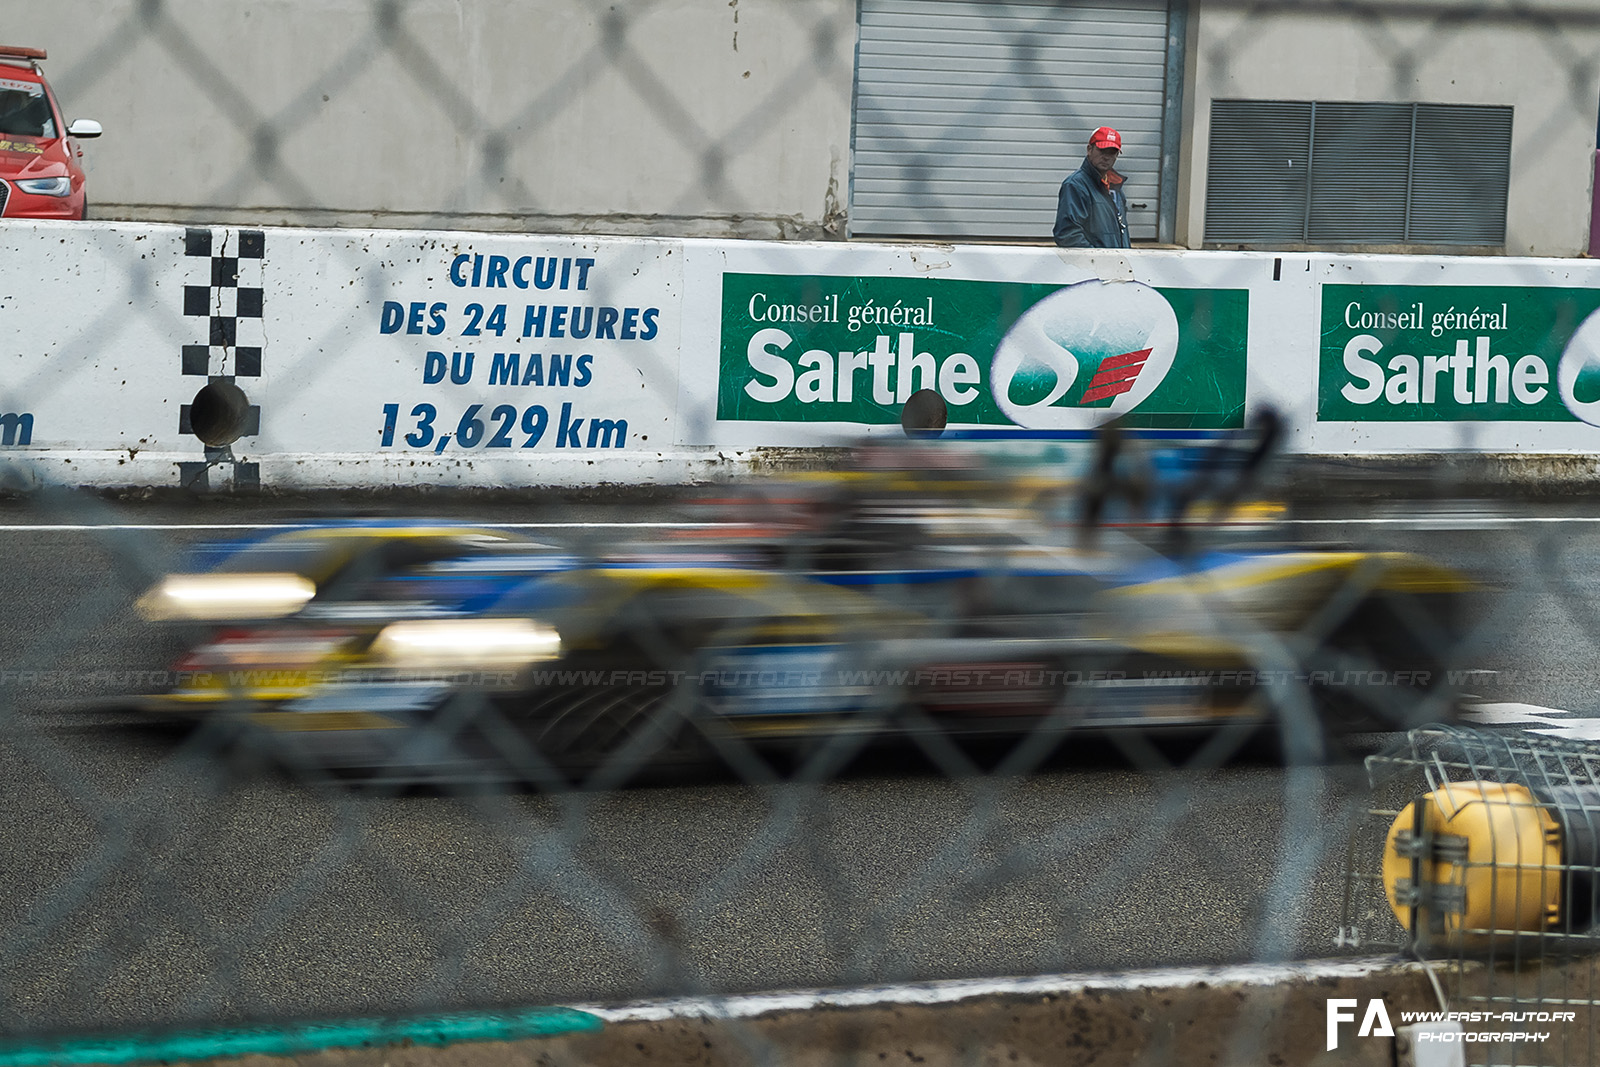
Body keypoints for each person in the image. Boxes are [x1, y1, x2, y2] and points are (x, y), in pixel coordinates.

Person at [1053, 126, 1131, 248]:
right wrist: (1099, 260)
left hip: (1117, 263)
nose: (1106, 157)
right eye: (1102, 150)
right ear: (1089, 149)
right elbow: (1068, 235)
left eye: (1112, 152)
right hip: (1097, 265)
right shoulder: (1076, 185)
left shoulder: (1115, 187)